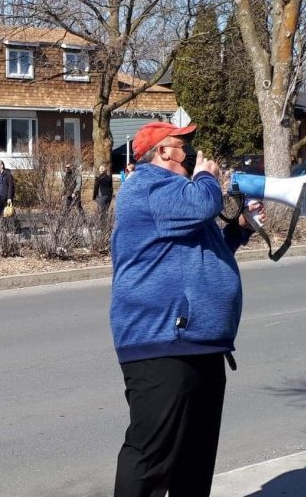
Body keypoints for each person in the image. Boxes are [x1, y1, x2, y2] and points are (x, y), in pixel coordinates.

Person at [110, 121, 258, 497]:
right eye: (184, 145)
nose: (193, 152)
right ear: (162, 151)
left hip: (201, 344)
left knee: (195, 458)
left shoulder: (178, 200)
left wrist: (239, 228)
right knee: (151, 457)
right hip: (162, 344)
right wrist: (208, 177)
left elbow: (203, 250)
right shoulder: (147, 187)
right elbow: (203, 203)